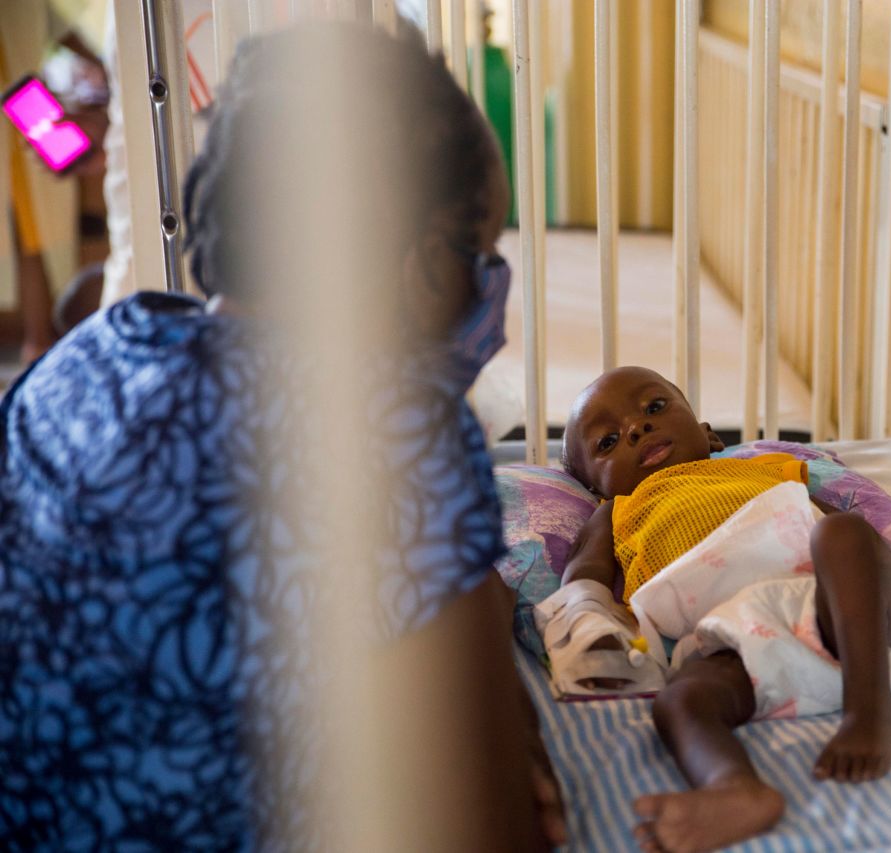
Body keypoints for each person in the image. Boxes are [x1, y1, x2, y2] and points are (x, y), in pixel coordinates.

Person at [0, 22, 564, 850]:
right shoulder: (392, 431)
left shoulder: (75, 363)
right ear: (416, 262)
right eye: (481, 259)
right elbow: (496, 833)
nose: (488, 299)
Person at [551, 365, 891, 853]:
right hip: (733, 634)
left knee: (841, 532)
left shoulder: (763, 468)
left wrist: (885, 577)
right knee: (681, 701)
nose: (637, 429)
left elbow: (849, 539)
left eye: (654, 408)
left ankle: (869, 712)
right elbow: (582, 578)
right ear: (597, 489)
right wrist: (595, 620)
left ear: (708, 435)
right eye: (608, 441)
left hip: (825, 602)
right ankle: (733, 788)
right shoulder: (615, 511)